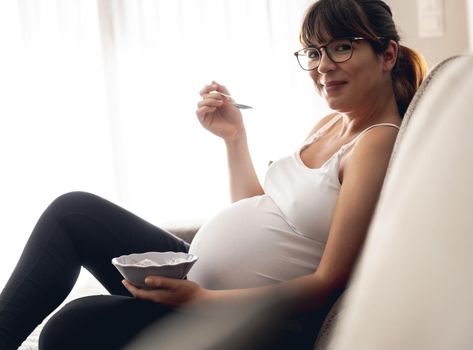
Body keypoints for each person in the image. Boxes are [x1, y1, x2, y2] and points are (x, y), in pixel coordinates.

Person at [0, 0, 425, 348]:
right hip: (199, 284)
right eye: (314, 51)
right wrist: (234, 139)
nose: (323, 66)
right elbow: (262, 209)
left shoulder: (377, 143)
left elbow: (328, 282)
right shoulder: (331, 124)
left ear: (386, 54)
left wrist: (202, 300)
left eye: (342, 47)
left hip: (247, 319)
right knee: (74, 213)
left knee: (68, 327)